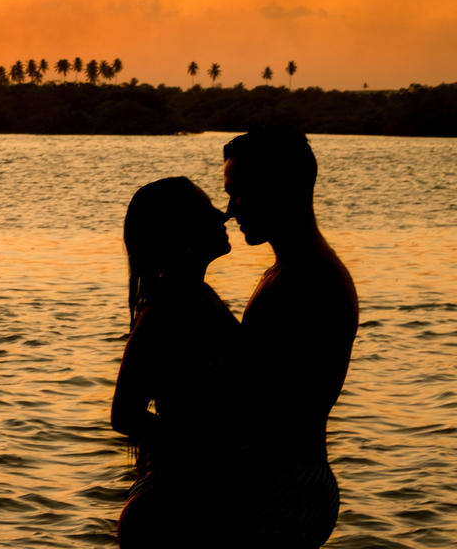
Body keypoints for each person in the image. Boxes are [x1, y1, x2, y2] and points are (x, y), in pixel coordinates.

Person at [223, 127, 359, 548]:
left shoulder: (304, 278)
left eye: (239, 192)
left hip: (282, 484)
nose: (230, 210)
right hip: (291, 479)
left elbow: (263, 407)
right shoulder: (296, 270)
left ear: (279, 188)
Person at [111, 177, 240, 548]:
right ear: (179, 232)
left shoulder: (199, 297)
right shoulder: (166, 310)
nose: (223, 214)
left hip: (193, 500)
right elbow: (124, 415)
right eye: (206, 210)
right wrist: (202, 447)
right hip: (164, 510)